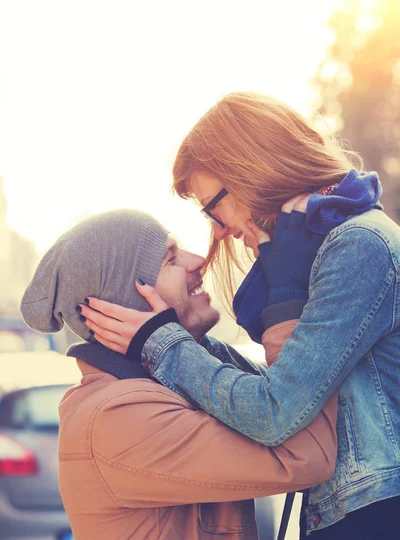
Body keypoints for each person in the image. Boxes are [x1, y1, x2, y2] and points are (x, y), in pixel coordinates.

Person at [81, 93, 400, 540]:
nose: (218, 231)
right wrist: (188, 342)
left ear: (251, 170)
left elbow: (275, 411)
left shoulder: (355, 245)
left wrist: (166, 344)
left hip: (376, 517)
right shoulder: (326, 245)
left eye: (212, 208)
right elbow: (297, 388)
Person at [20, 209, 337, 540]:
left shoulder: (168, 385)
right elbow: (307, 451)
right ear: (127, 302)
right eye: (170, 259)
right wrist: (286, 296)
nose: (198, 259)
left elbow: (276, 401)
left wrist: (170, 342)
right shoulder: (118, 416)